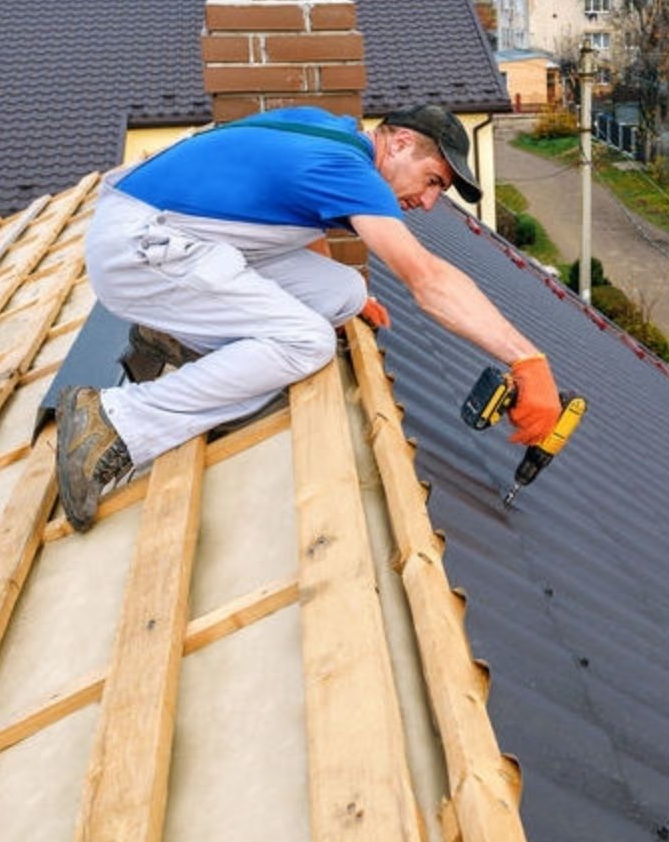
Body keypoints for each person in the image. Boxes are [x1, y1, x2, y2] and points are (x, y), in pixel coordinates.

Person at [56, 103, 563, 531]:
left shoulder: (334, 133)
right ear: (401, 143)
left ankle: (178, 330)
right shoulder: (348, 171)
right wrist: (527, 359)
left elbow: (282, 215)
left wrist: (349, 299)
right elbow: (427, 280)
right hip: (140, 249)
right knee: (308, 343)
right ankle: (112, 421)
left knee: (343, 291)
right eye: (433, 181)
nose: (429, 203)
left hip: (168, 233)